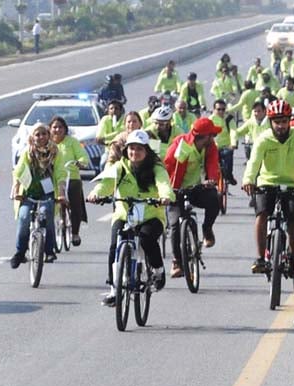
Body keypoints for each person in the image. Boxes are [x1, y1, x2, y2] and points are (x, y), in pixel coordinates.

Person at [88, 130, 174, 306]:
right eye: (131, 148)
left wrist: (165, 197)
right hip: (124, 214)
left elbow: (164, 184)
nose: (135, 153)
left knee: (147, 239)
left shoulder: (156, 168)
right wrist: (96, 194)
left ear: (147, 151)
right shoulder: (120, 167)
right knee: (114, 245)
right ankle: (114, 289)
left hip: (151, 215)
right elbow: (106, 184)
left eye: (139, 149)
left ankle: (158, 271)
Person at [242, 99, 294, 274]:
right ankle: (260, 258)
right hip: (267, 183)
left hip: (292, 184)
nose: (280, 126)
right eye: (277, 122)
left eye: (283, 121)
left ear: (289, 120)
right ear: (270, 122)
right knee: (262, 214)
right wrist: (248, 180)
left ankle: (293, 255)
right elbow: (253, 162)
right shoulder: (263, 139)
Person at [164, 118, 222, 277]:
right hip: (174, 189)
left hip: (196, 187)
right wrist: (170, 190)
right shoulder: (182, 144)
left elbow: (212, 164)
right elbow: (169, 166)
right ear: (204, 136)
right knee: (175, 225)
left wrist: (211, 180)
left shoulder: (210, 147)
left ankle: (207, 229)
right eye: (212, 135)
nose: (213, 138)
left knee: (215, 198)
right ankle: (177, 261)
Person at [10, 123, 67, 267]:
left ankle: (49, 250)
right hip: (28, 194)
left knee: (46, 213)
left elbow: (60, 174)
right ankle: (20, 252)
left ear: (48, 135)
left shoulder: (55, 153)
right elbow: (18, 172)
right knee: (24, 217)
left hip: (47, 193)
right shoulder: (27, 153)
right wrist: (16, 191)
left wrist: (61, 193)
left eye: (44, 134)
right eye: (37, 134)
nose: (41, 137)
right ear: (32, 138)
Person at [50, 116, 90, 247]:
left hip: (71, 177)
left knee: (75, 202)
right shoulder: (47, 143)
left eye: (60, 127)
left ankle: (75, 233)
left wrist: (81, 163)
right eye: (54, 127)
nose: (57, 130)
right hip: (52, 178)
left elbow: (83, 156)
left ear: (65, 129)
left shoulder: (72, 142)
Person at [210, 99, 238, 186]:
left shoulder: (229, 119)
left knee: (229, 156)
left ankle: (229, 176)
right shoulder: (210, 120)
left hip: (226, 146)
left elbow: (233, 131)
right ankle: (210, 179)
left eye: (223, 109)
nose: (221, 111)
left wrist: (233, 144)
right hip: (213, 146)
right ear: (214, 110)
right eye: (218, 109)